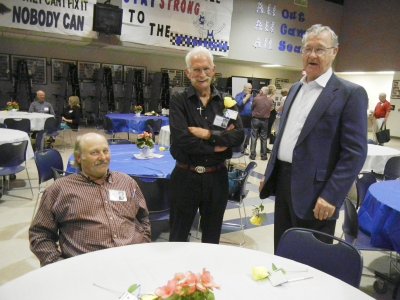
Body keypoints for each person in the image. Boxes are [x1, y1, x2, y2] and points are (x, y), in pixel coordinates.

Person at [259, 24, 368, 252]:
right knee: (282, 249)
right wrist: (270, 173)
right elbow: (284, 137)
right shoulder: (296, 89)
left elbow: (354, 153)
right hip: (284, 184)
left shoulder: (350, 93)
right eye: (307, 49)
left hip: (318, 194)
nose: (312, 55)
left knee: (311, 259)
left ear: (334, 52)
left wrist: (332, 195)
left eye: (320, 49)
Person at [29, 133, 151, 266]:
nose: (103, 157)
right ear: (79, 157)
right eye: (95, 153)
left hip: (134, 260)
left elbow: (143, 217)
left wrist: (143, 244)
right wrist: (57, 264)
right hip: (88, 267)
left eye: (105, 151)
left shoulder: (126, 182)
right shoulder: (60, 189)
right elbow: (39, 234)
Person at [168, 46, 244, 244]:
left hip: (216, 179)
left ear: (213, 69)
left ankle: (206, 274)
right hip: (185, 177)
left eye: (206, 69)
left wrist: (207, 134)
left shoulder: (226, 103)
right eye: (196, 69)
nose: (202, 74)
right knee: (177, 236)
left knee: (212, 238)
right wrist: (217, 144)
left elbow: (238, 136)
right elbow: (182, 140)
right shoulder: (179, 100)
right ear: (188, 72)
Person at [249, 85, 275, 160]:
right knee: (264, 138)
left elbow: (252, 108)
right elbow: (271, 108)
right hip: (265, 121)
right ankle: (264, 156)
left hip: (255, 120)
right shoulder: (270, 100)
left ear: (262, 91)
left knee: (254, 137)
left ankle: (253, 155)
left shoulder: (256, 98)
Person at [235, 83, 253, 154]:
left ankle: (245, 148)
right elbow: (239, 104)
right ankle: (240, 149)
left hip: (250, 118)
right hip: (241, 118)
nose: (250, 90)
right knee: (242, 133)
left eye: (251, 88)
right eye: (249, 88)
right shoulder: (239, 95)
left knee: (248, 134)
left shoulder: (252, 96)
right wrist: (246, 98)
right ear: (245, 88)